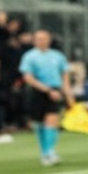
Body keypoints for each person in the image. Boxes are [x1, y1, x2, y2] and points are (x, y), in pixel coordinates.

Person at [19, 29, 74, 166]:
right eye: (38, 38)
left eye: (44, 38)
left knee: (52, 120)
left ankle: (50, 151)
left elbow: (65, 76)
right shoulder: (29, 56)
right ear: (34, 41)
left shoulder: (58, 56)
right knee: (39, 123)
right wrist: (47, 89)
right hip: (38, 91)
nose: (42, 41)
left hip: (55, 90)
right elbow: (28, 77)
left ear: (49, 39)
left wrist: (68, 94)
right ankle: (44, 153)